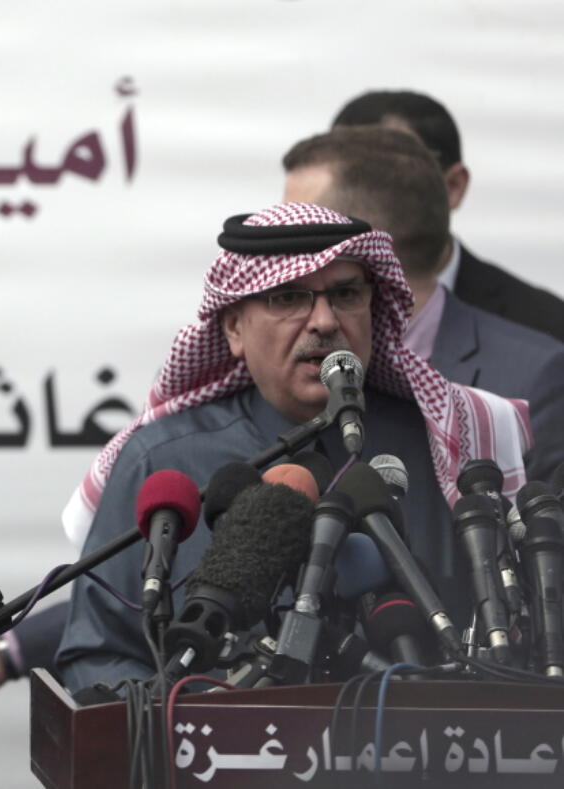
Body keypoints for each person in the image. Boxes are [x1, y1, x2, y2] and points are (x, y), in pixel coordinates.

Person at [56, 203, 530, 692]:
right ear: (234, 328)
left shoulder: (445, 446)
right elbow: (98, 654)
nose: (324, 321)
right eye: (288, 297)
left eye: (345, 294)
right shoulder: (161, 461)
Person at [281, 125, 564, 482]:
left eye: (298, 228)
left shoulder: (532, 381)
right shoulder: (278, 371)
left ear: (370, 248)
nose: (275, 249)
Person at [332, 90, 564, 342]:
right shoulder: (298, 308)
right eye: (340, 178)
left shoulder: (543, 327)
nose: (354, 196)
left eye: (385, 176)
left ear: (453, 186)